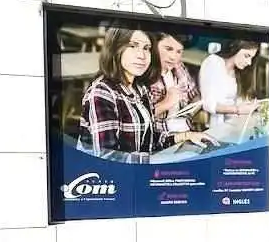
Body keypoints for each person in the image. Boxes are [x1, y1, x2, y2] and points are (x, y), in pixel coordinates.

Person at [78, 28, 210, 160]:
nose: (142, 55)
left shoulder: (139, 88)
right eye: (133, 46)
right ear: (115, 49)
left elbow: (148, 141)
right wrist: (163, 160)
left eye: (146, 48)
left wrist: (186, 136)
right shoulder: (102, 93)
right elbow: (107, 158)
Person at [199, 39, 261, 134]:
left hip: (232, 126)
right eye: (246, 56)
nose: (249, 63)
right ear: (235, 48)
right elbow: (208, 104)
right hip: (214, 129)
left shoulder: (238, 71)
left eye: (251, 58)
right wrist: (238, 109)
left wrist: (248, 105)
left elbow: (237, 101)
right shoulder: (213, 62)